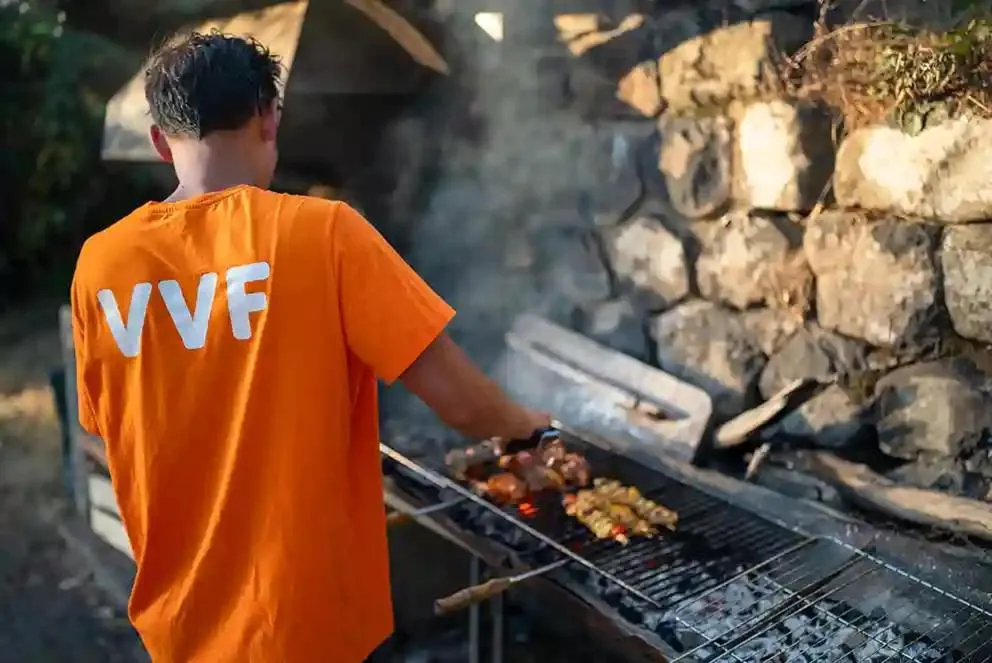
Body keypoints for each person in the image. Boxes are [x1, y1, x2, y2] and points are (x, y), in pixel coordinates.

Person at [70, 31, 550, 663]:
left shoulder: (100, 266)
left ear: (160, 141)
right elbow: (462, 403)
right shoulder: (323, 233)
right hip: (304, 624)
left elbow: (109, 425)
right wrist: (530, 428)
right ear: (270, 118)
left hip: (180, 624)